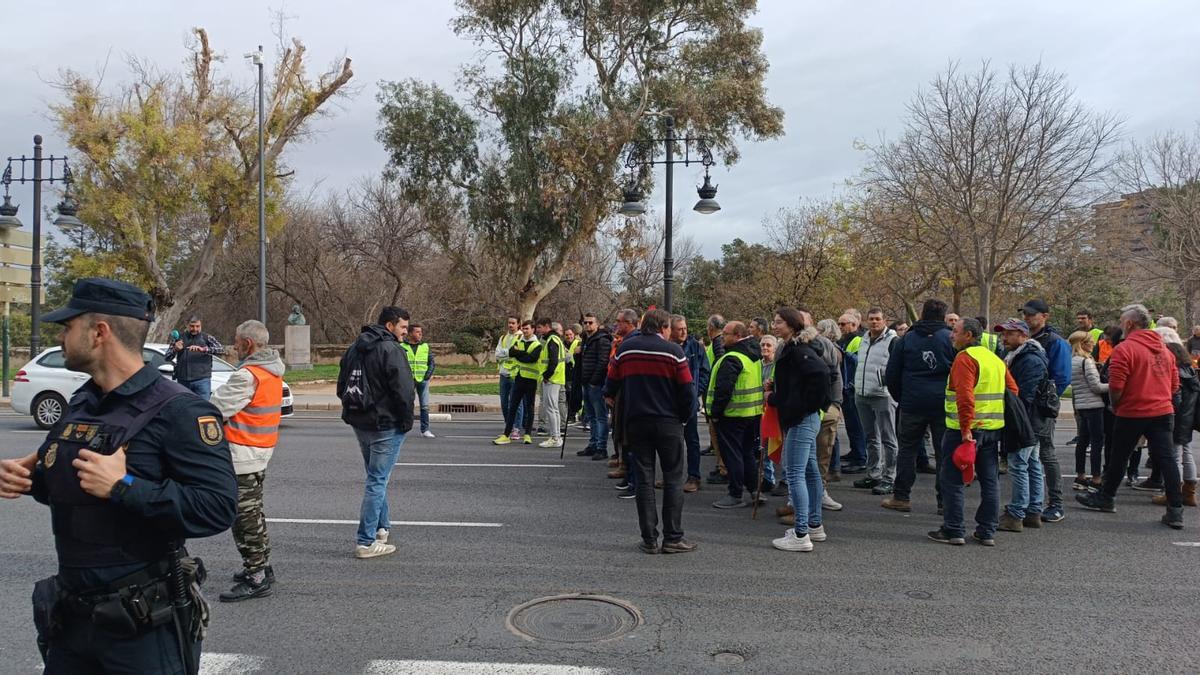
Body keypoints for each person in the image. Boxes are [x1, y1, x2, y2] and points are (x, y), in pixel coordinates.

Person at [0, 278, 237, 673]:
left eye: (66, 327)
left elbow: (217, 508)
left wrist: (124, 487)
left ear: (99, 332)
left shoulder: (181, 411)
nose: (60, 337)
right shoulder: (83, 401)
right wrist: (33, 480)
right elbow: (80, 484)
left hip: (141, 628)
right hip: (72, 619)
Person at [1077, 305, 1183, 529]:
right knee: (1167, 459)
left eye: (1122, 319)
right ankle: (1175, 510)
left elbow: (1116, 386)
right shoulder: (1165, 350)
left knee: (1119, 457)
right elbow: (1174, 385)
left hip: (1133, 411)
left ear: (1129, 324)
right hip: (1162, 411)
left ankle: (1107, 497)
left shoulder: (1125, 349)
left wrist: (1116, 405)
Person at [605, 309, 698, 554]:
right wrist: (684, 416)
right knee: (673, 478)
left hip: (636, 421)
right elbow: (688, 390)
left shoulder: (626, 349)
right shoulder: (675, 352)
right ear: (664, 327)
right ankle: (673, 537)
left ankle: (649, 538)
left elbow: (611, 382)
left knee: (644, 479)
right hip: (668, 421)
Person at [211, 320, 284, 602]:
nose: (234, 346)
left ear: (248, 344)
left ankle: (256, 577)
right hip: (259, 450)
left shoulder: (248, 375)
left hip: (241, 453)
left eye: (237, 341)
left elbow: (217, 407)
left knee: (244, 518)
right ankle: (262, 566)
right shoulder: (272, 371)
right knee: (254, 513)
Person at [928, 318, 1018, 546]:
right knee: (990, 481)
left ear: (968, 335)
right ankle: (987, 531)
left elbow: (965, 396)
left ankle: (953, 529)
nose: (951, 335)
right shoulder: (995, 359)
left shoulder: (965, 359)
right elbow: (1013, 390)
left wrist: (967, 427)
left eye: (955, 331)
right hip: (991, 430)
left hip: (963, 431)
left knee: (952, 479)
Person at [337, 306, 416, 558]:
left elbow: (342, 386)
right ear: (390, 325)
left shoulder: (354, 349)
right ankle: (366, 541)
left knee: (375, 477)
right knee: (377, 480)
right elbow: (404, 390)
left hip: (360, 422)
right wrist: (406, 422)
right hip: (385, 424)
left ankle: (382, 528)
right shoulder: (391, 349)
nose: (406, 332)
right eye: (403, 327)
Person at [767, 308, 832, 551]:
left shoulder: (799, 350)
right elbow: (799, 383)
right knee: (810, 471)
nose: (774, 325)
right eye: (774, 321)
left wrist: (787, 401)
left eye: (779, 322)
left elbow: (821, 375)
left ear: (792, 326)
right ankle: (814, 525)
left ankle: (801, 532)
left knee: (795, 474)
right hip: (804, 416)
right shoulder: (798, 349)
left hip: (801, 419)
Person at [882, 298, 955, 513]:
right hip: (942, 403)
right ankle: (944, 501)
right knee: (943, 453)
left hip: (913, 402)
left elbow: (892, 373)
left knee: (907, 450)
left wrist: (902, 398)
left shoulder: (908, 338)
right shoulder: (949, 338)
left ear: (922, 314)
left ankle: (901, 496)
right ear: (943, 315)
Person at [995, 319, 1048, 533]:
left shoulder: (1029, 360)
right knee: (1032, 464)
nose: (1004, 338)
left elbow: (1023, 396)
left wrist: (1015, 422)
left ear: (1023, 336)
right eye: (1003, 334)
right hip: (1030, 420)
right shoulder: (1018, 357)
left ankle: (1016, 513)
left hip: (1025, 420)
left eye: (1009, 334)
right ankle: (1033, 510)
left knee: (1019, 464)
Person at [1021, 298, 1071, 523]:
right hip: (1025, 404)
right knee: (1028, 456)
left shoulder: (1055, 342)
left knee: (1046, 454)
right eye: (1026, 314)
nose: (1027, 318)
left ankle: (1056, 503)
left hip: (1041, 407)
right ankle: (1032, 501)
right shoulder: (1027, 339)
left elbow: (1061, 378)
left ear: (1045, 316)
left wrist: (1046, 401)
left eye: (1032, 314)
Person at [707, 321, 764, 509]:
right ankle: (755, 491)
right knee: (747, 453)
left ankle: (735, 494)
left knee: (732, 455)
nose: (722, 337)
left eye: (726, 334)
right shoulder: (754, 353)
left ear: (738, 335)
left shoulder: (732, 357)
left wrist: (715, 414)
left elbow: (724, 389)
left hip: (733, 414)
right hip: (752, 413)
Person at [1146, 327, 1198, 508]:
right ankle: (1189, 492)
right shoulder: (1190, 370)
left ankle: (1173, 493)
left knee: (1174, 456)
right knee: (1186, 452)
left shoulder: (1176, 372)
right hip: (1188, 418)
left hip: (1175, 416)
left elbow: (1175, 396)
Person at [852, 308, 899, 495]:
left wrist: (887, 385)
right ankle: (873, 474)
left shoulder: (893, 341)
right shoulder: (863, 339)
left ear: (884, 320)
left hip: (882, 394)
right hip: (862, 393)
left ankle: (890, 477)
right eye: (871, 319)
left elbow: (896, 367)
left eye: (878, 319)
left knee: (889, 438)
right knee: (871, 437)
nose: (874, 322)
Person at [671, 314, 710, 493]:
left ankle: (694, 477)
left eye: (685, 328)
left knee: (691, 440)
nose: (684, 331)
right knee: (671, 442)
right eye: (680, 329)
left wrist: (695, 392)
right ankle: (671, 476)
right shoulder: (667, 347)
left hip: (689, 403)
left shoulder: (695, 346)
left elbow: (704, 371)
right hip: (669, 404)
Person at [812, 318, 845, 510]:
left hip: (827, 408)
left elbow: (836, 377)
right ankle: (801, 497)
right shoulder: (792, 347)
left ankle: (820, 491)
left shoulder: (829, 348)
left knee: (823, 452)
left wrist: (836, 405)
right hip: (804, 410)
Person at [1069, 331, 1108, 492]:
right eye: (1090, 341)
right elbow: (1096, 387)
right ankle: (1096, 478)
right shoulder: (1086, 362)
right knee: (1097, 443)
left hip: (1081, 406)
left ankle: (1080, 476)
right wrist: (1117, 385)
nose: (1093, 343)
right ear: (1082, 343)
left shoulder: (1072, 361)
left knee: (1082, 442)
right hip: (1094, 405)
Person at [494, 321, 540, 445]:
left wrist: (519, 354)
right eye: (523, 329)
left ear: (533, 330)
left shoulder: (537, 344)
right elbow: (511, 353)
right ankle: (506, 434)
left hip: (530, 380)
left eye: (527, 329)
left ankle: (527, 434)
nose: (525, 331)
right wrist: (521, 354)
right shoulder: (519, 341)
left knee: (529, 407)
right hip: (518, 378)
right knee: (512, 406)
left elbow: (531, 359)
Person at [165, 315, 226, 400]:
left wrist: (204, 349)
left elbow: (221, 350)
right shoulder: (178, 338)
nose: (195, 329)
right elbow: (167, 357)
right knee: (184, 408)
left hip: (202, 380)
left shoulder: (207, 338)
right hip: (183, 381)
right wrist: (175, 349)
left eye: (198, 326)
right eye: (192, 326)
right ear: (186, 325)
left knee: (203, 408)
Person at [836, 311, 868, 472]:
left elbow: (858, 362)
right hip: (846, 387)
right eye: (839, 324)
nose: (840, 327)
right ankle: (855, 452)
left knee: (856, 424)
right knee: (850, 424)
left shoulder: (858, 340)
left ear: (854, 325)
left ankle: (861, 458)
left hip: (852, 387)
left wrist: (845, 354)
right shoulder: (845, 340)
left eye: (843, 324)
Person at [579, 313, 613, 459]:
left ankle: (601, 447)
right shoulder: (586, 339)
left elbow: (603, 362)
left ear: (597, 324)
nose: (587, 325)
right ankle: (593, 444)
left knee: (600, 416)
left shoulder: (602, 340)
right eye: (585, 323)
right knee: (591, 416)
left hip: (596, 384)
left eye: (590, 323)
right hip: (586, 382)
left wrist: (594, 381)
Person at [703, 314, 729, 484]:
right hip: (712, 393)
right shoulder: (717, 342)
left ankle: (723, 469)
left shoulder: (718, 343)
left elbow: (719, 365)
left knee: (719, 434)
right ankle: (721, 466)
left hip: (715, 394)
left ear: (710, 328)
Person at [534, 319, 566, 448]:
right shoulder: (554, 339)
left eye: (540, 327)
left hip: (552, 378)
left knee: (551, 408)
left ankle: (555, 437)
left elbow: (553, 361)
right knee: (554, 409)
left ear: (547, 327)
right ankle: (555, 436)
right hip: (555, 378)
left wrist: (547, 375)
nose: (538, 330)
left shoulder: (552, 340)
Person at [401, 323, 436, 439]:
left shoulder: (425, 346)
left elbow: (431, 362)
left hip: (423, 380)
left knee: (424, 406)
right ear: (410, 333)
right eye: (417, 332)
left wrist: (427, 375)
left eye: (421, 332)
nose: (420, 334)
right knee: (406, 405)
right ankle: (404, 428)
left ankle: (425, 430)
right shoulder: (402, 346)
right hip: (408, 381)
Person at [495, 316, 525, 441]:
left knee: (516, 403)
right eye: (509, 323)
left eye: (513, 323)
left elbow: (518, 353)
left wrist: (505, 353)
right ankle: (509, 426)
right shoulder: (503, 337)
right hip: (503, 374)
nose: (510, 325)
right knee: (504, 403)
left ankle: (516, 428)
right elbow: (497, 353)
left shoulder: (521, 337)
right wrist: (509, 353)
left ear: (518, 324)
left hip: (515, 374)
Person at [565, 323, 584, 425]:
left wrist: (567, 354)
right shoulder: (565, 344)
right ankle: (574, 415)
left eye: (570, 334)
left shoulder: (577, 343)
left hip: (573, 372)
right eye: (566, 335)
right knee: (569, 395)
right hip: (567, 373)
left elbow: (572, 358)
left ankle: (574, 415)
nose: (569, 336)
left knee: (573, 395)